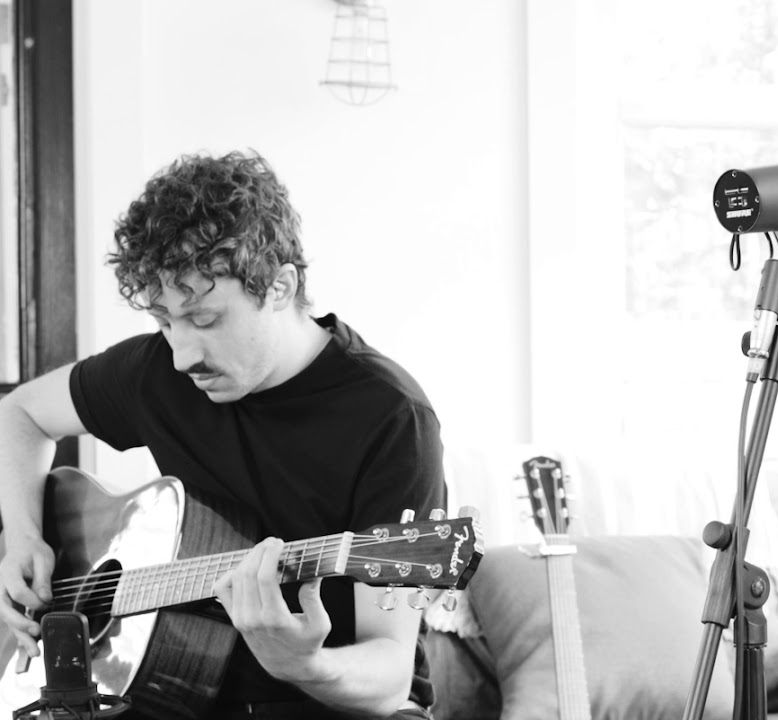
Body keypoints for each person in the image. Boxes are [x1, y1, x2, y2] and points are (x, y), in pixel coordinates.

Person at [0, 151, 447, 719]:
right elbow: (19, 414)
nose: (182, 355)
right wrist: (23, 539)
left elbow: (390, 678)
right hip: (173, 692)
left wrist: (305, 665)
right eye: (164, 321)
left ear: (280, 287)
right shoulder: (154, 371)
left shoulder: (393, 418)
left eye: (205, 319)